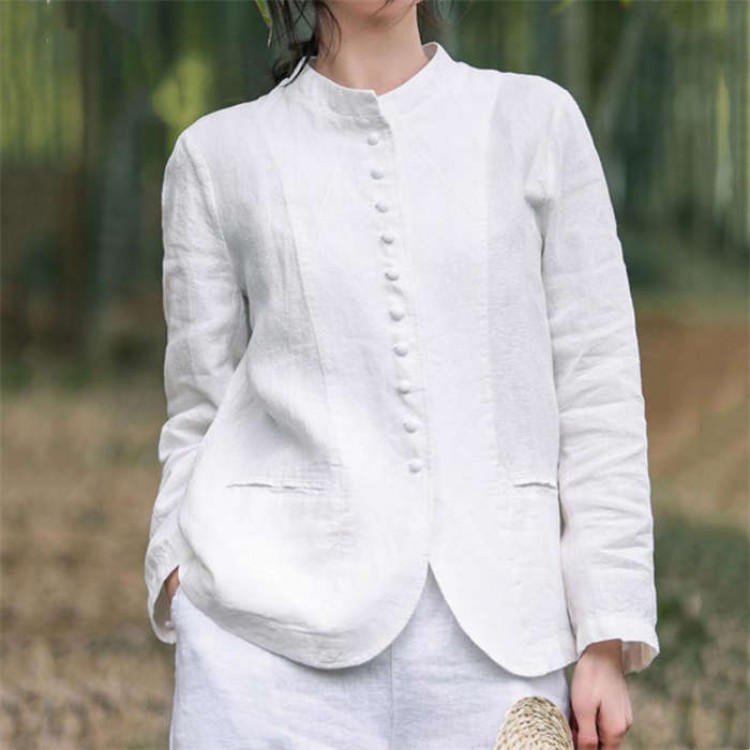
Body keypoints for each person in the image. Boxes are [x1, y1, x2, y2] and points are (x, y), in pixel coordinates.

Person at [144, 1, 661, 748]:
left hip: (503, 639)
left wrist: (606, 634)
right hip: (264, 655)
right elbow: (198, 405)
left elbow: (598, 387)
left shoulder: (536, 124)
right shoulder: (217, 155)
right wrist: (175, 570)